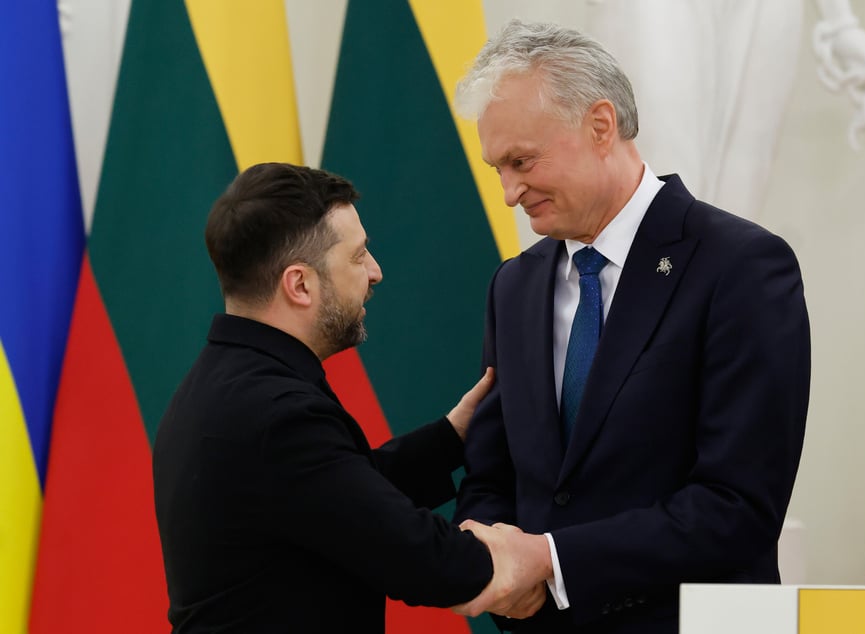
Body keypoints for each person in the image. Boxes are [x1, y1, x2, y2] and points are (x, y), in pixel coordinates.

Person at [451, 20, 811, 633]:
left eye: (522, 161)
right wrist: (493, 555)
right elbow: (491, 476)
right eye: (497, 169)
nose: (510, 192)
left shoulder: (740, 265)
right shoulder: (513, 286)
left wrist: (552, 561)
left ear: (599, 125)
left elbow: (739, 506)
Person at [152, 162, 543, 632]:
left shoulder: (226, 384)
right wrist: (541, 559)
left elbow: (338, 498)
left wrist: (453, 435)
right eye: (358, 257)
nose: (375, 273)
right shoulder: (277, 415)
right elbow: (423, 560)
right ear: (300, 284)